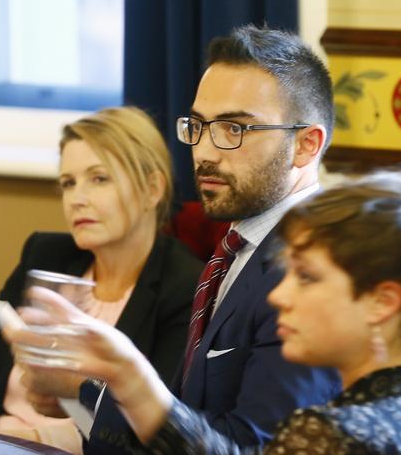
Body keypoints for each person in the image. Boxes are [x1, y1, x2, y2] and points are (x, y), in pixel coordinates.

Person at [7, 169, 401, 454]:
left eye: (308, 277)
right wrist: (128, 376)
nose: (279, 296)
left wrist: (129, 376)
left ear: (383, 301)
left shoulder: (334, 434)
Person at [77, 24, 342, 453]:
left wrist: (126, 379)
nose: (204, 152)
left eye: (234, 129)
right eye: (198, 126)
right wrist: (77, 396)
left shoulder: (313, 272)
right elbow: (196, 416)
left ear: (306, 145)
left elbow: (252, 449)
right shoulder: (240, 244)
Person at [0, 107, 204, 454]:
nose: (77, 199)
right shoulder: (44, 255)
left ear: (152, 189)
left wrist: (14, 442)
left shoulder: (184, 286)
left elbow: (149, 435)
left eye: (99, 178)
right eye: (68, 183)